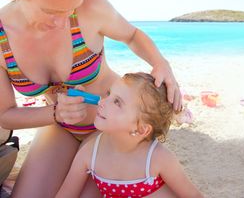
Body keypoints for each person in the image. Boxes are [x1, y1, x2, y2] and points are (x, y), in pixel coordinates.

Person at [0, 0, 181, 197]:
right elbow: (5, 115)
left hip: (111, 130)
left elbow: (132, 35)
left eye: (70, 9)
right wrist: (56, 114)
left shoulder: (92, 10)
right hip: (59, 128)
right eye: (51, 12)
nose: (62, 22)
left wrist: (161, 63)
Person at [56, 72, 203, 198]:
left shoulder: (158, 158)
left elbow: (193, 195)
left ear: (141, 130)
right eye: (109, 93)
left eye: (117, 102)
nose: (102, 102)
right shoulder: (90, 153)